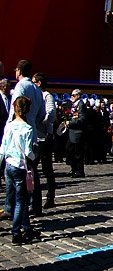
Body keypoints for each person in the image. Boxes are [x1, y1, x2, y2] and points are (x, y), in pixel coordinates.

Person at [0, 97, 40, 244]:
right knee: (21, 200)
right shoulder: (27, 128)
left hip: (8, 164)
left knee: (16, 197)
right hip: (19, 165)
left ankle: (26, 226)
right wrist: (35, 154)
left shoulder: (9, 125)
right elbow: (28, 151)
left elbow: (3, 147)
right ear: (28, 110)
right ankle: (16, 231)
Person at [32, 73, 57, 211]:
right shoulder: (35, 96)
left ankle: (50, 196)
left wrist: (38, 120)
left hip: (44, 136)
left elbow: (51, 115)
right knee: (33, 168)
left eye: (34, 81)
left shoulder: (46, 96)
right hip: (35, 136)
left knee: (47, 169)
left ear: (39, 83)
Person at [65, 90, 87, 178]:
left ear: (78, 96)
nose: (71, 97)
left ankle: (79, 171)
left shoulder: (80, 105)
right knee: (69, 150)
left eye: (73, 95)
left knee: (77, 153)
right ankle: (74, 169)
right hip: (72, 132)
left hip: (77, 132)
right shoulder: (74, 105)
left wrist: (70, 123)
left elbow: (82, 119)